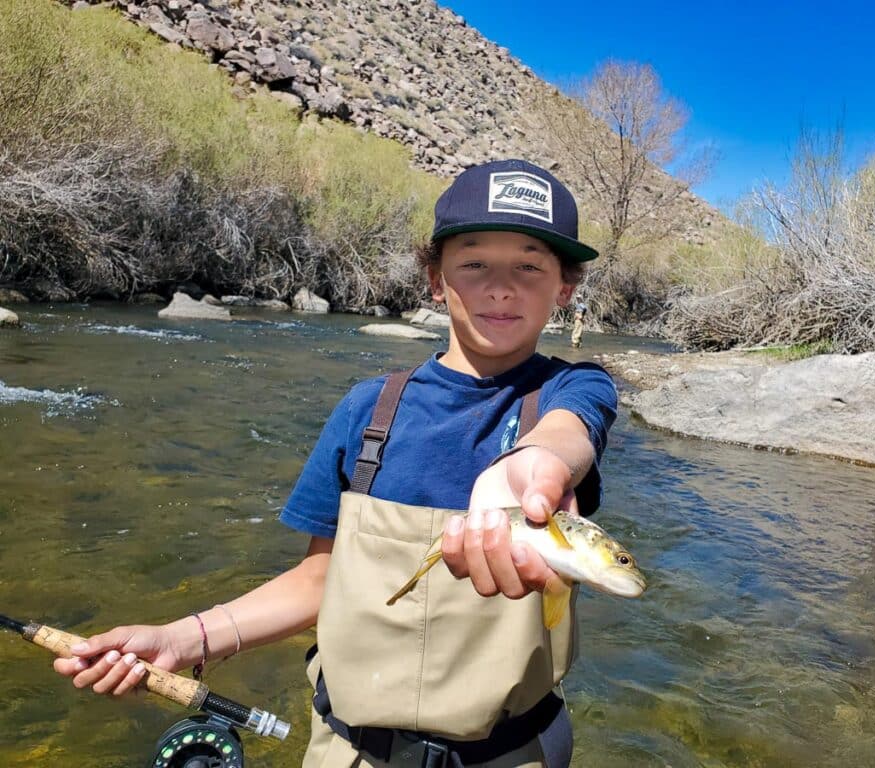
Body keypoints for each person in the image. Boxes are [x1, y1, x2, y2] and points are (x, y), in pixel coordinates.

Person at [53, 159, 617, 768]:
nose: (501, 287)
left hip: (515, 754)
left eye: (529, 267)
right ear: (437, 280)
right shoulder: (367, 410)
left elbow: (570, 432)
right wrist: (180, 639)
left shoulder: (573, 390)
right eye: (474, 263)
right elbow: (318, 581)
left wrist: (537, 463)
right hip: (346, 752)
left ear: (564, 289)